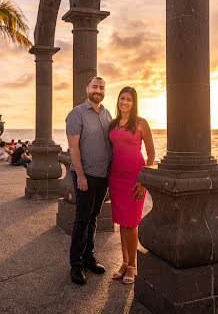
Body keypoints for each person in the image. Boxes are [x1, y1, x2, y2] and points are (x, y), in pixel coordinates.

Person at [66, 76, 112, 286]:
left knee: (93, 217)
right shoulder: (77, 113)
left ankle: (88, 256)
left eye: (101, 87)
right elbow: (73, 147)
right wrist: (81, 175)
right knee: (82, 219)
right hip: (85, 174)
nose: (98, 90)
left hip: (103, 175)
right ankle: (75, 265)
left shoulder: (107, 113)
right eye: (95, 86)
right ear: (87, 89)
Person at [108, 86, 155, 285]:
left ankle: (133, 265)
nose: (124, 102)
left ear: (134, 102)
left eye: (128, 99)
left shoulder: (141, 123)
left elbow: (151, 154)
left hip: (135, 178)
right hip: (115, 177)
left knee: (131, 222)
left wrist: (143, 180)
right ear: (118, 100)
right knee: (121, 222)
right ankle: (125, 262)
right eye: (122, 98)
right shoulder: (112, 124)